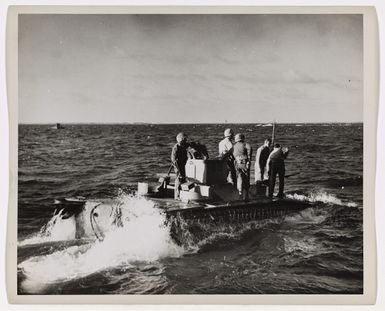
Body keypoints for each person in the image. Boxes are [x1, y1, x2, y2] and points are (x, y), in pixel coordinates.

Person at [232, 133, 253, 201]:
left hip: (237, 164)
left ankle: (240, 195)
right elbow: (250, 149)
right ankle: (246, 196)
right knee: (246, 180)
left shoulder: (234, 146)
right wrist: (249, 160)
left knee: (239, 179)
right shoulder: (245, 145)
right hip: (244, 164)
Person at [171, 132, 189, 199]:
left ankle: (183, 194)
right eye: (184, 140)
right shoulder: (176, 148)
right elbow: (174, 160)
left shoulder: (184, 146)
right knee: (179, 179)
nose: (185, 141)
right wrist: (178, 170)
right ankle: (177, 196)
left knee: (184, 179)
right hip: (178, 166)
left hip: (184, 165)